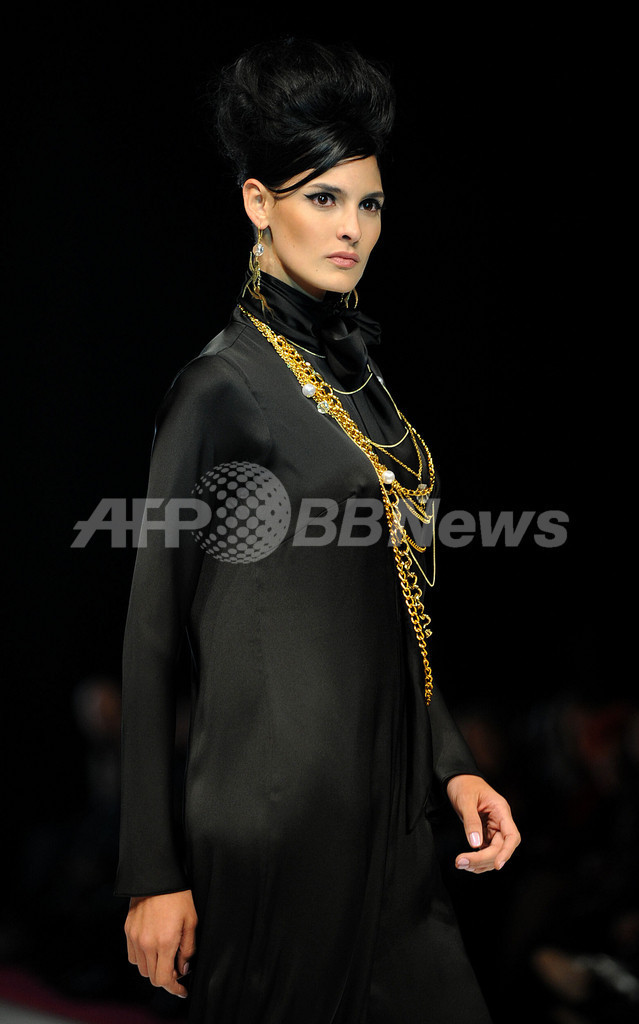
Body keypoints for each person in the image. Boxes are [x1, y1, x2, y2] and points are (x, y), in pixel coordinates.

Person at [115, 37, 521, 1023]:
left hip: (393, 814)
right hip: (277, 818)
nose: (351, 228)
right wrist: (151, 872)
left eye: (369, 203)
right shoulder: (221, 387)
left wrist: (453, 760)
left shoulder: (359, 381)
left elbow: (396, 608)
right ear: (258, 203)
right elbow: (152, 633)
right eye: (324, 197)